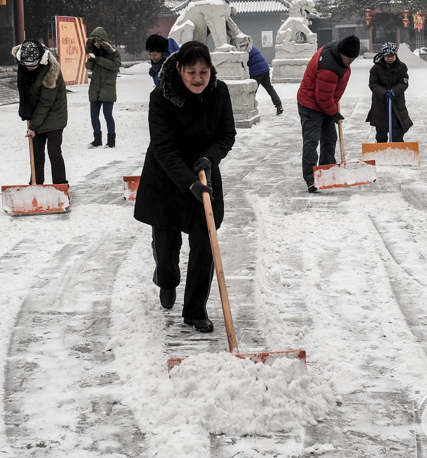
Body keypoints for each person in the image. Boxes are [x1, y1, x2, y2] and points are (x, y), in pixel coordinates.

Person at [133, 41, 236, 333]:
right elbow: (163, 148)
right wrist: (187, 181)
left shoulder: (219, 92)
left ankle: (194, 311)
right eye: (192, 71)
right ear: (179, 68)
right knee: (167, 255)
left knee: (205, 244)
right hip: (166, 179)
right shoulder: (161, 97)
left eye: (204, 71)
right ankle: (166, 280)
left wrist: (209, 158)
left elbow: (227, 134)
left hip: (204, 176)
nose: (198, 78)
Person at [296, 35, 361, 192]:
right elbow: (322, 97)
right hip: (311, 104)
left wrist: (332, 108)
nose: (350, 62)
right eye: (349, 59)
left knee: (330, 137)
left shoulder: (337, 52)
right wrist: (333, 112)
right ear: (341, 53)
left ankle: (327, 170)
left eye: (353, 59)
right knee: (312, 141)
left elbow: (328, 94)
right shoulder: (328, 67)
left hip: (325, 103)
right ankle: (311, 177)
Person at [12, 40, 68, 185]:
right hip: (35, 114)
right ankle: (36, 184)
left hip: (55, 114)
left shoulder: (51, 72)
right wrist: (27, 114)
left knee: (54, 152)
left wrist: (33, 126)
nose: (30, 68)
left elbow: (46, 103)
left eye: (34, 65)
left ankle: (60, 186)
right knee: (36, 153)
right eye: (27, 65)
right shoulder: (23, 65)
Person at [365, 42, 413, 142]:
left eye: (392, 56)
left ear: (396, 55)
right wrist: (384, 92)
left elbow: (404, 83)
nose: (390, 58)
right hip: (380, 104)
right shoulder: (376, 68)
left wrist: (394, 91)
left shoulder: (401, 67)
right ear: (383, 55)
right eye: (387, 56)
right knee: (381, 132)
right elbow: (373, 84)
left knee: (397, 131)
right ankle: (381, 151)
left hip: (396, 103)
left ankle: (398, 151)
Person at [85, 27, 122, 148]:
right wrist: (91, 59)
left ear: (102, 41)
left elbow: (115, 66)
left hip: (108, 87)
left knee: (107, 115)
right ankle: (97, 140)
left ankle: (111, 141)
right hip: (95, 88)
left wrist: (98, 59)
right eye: (93, 42)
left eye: (97, 41)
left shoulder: (113, 52)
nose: (96, 44)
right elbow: (89, 67)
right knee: (93, 115)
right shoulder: (94, 52)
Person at [246, 45, 283, 115]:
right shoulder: (252, 47)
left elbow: (245, 63)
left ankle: (251, 107)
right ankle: (279, 105)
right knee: (269, 88)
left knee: (252, 91)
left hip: (257, 71)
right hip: (265, 69)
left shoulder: (245, 51)